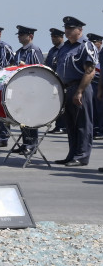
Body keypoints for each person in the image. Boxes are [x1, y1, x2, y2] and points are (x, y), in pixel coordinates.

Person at [55, 16, 97, 167]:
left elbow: (90, 71)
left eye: (71, 28)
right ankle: (72, 154)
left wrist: (79, 91)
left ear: (80, 30)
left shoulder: (86, 46)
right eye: (66, 28)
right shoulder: (65, 47)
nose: (67, 31)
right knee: (70, 124)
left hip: (80, 87)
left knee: (83, 124)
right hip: (66, 88)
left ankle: (82, 155)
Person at [10, 25, 44, 154]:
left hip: (32, 89)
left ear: (30, 36)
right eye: (19, 34)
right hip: (21, 89)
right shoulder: (19, 52)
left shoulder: (34, 50)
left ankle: (32, 145)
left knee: (31, 118)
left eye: (22, 34)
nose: (19, 36)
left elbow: (40, 69)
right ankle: (25, 143)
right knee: (22, 118)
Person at [45, 28, 67, 134]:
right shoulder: (52, 50)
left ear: (61, 37)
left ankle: (63, 126)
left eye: (55, 37)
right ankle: (58, 125)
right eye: (52, 37)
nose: (53, 39)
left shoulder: (65, 49)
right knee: (57, 104)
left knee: (63, 104)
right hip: (53, 81)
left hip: (62, 81)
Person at [88, 33, 103, 139]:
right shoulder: (90, 52)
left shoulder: (101, 53)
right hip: (91, 82)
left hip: (99, 81)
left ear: (100, 43)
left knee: (100, 108)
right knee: (93, 108)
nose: (92, 45)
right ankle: (96, 128)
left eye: (94, 43)